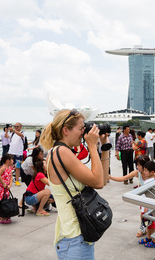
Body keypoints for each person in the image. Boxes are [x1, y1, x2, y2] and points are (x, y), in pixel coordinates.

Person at [40, 109, 104, 259]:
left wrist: (104, 145)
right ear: (65, 130)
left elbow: (102, 177)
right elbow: (98, 182)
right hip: (74, 240)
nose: (83, 132)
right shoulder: (61, 152)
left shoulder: (60, 152)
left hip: (74, 238)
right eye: (81, 128)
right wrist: (92, 146)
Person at [109, 155, 150, 238]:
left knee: (150, 215)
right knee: (143, 214)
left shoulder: (151, 173)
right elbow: (123, 178)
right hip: (143, 197)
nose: (137, 167)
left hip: (151, 197)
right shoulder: (137, 173)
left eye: (139, 165)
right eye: (137, 165)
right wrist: (110, 177)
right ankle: (143, 228)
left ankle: (149, 231)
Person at [137, 161, 155, 248]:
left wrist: (146, 207)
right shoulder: (148, 179)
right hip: (145, 206)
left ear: (152, 172)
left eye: (146, 171)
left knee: (151, 224)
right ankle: (149, 237)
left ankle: (154, 241)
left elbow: (151, 196)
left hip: (148, 207)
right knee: (147, 224)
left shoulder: (151, 181)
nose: (144, 172)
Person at [0, 154, 14, 224]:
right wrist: (3, 183)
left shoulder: (10, 168)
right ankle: (2, 216)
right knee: (2, 202)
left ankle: (6, 214)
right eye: (12, 159)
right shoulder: (3, 167)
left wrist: (10, 185)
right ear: (8, 161)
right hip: (1, 187)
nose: (13, 161)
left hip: (6, 187)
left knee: (6, 201)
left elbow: (11, 177)